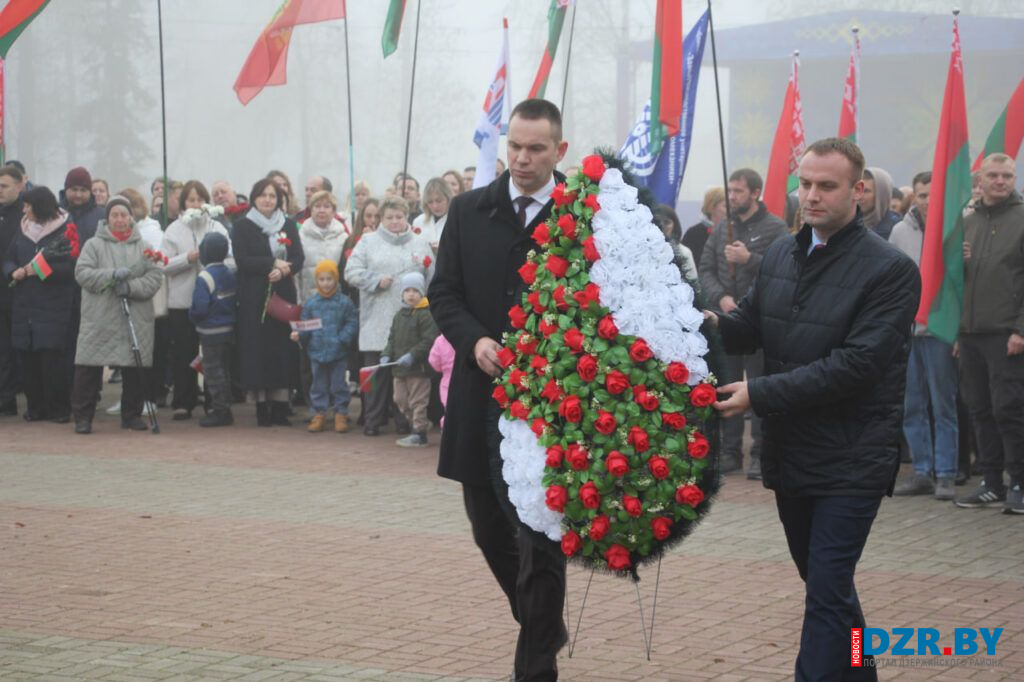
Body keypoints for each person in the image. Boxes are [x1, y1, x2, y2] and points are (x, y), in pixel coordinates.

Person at [708, 137, 919, 681]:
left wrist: (760, 394)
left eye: (827, 185)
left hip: (853, 456)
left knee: (825, 594)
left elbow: (857, 366)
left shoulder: (890, 270)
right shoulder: (783, 251)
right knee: (830, 591)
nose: (813, 195)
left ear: (858, 190)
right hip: (792, 450)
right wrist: (689, 318)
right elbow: (747, 326)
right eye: (805, 184)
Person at [429, 98, 569, 681]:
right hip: (479, 397)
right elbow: (445, 293)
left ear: (560, 151)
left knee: (541, 539)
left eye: (536, 148)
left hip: (552, 407)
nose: (522, 158)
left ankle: (534, 668)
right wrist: (475, 342)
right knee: (488, 527)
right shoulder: (467, 210)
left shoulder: (585, 216)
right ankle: (543, 623)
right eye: (514, 145)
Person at [699, 168, 788, 477]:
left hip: (760, 324)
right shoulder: (723, 228)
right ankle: (730, 450)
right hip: (727, 319)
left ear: (755, 193)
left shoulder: (776, 228)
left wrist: (749, 259)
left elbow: (783, 270)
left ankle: (761, 453)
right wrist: (721, 297)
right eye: (731, 190)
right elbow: (706, 268)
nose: (733, 196)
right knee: (726, 385)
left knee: (760, 385)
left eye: (738, 191)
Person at [954, 153, 1024, 514]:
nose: (1001, 181)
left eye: (1007, 176)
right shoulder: (966, 220)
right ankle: (991, 483)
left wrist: (1021, 330)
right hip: (969, 333)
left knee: (1009, 410)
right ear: (980, 180)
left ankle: (1020, 483)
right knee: (979, 409)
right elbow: (954, 282)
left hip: (1006, 335)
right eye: (994, 175)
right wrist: (954, 332)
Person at [888, 171, 959, 500]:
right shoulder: (901, 231)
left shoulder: (956, 228)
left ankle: (946, 472)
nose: (928, 201)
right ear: (913, 197)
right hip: (908, 331)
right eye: (922, 195)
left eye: (933, 195)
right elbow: (891, 278)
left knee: (943, 405)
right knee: (912, 404)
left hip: (941, 331)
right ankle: (921, 471)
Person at [71, 196, 163, 434]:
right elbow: (82, 273)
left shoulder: (143, 247)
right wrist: (111, 276)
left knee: (134, 368)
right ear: (107, 218)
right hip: (99, 317)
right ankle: (83, 417)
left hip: (134, 317)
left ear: (130, 217)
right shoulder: (93, 245)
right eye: (115, 215)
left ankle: (131, 415)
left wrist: (131, 287)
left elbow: (154, 278)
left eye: (124, 215)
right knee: (88, 368)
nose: (120, 219)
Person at [344, 195, 433, 436]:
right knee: (375, 375)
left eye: (400, 217)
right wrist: (374, 280)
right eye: (389, 217)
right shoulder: (367, 241)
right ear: (381, 218)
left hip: (410, 323)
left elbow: (431, 275)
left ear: (407, 217)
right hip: (377, 319)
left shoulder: (419, 243)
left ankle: (404, 421)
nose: (395, 221)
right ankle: (372, 420)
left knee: (406, 377)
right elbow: (351, 272)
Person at [232, 178, 304, 426]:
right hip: (254, 296)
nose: (268, 200)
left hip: (282, 294)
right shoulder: (243, 226)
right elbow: (242, 259)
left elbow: (298, 257)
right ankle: (262, 405)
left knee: (282, 348)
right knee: (258, 349)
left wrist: (285, 270)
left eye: (272, 196)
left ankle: (282, 405)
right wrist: (270, 264)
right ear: (254, 198)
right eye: (263, 195)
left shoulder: (288, 225)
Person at [3, 187, 77, 422]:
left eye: (28, 206)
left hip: (54, 306)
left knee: (52, 361)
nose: (24, 210)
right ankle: (36, 407)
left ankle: (59, 408)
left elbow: (71, 267)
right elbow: (8, 258)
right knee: (28, 359)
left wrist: (39, 271)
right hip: (25, 306)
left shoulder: (65, 229)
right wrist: (12, 272)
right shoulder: (23, 229)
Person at [161, 180, 232, 421]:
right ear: (183, 204)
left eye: (200, 199)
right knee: (183, 353)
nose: (196, 204)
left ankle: (214, 402)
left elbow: (232, 261)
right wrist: (187, 259)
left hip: (213, 305)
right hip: (182, 302)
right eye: (191, 200)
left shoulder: (217, 227)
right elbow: (163, 265)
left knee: (213, 356)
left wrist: (213, 261)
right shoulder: (173, 230)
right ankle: (183, 401)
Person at [291, 259, 357, 433]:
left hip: (338, 352)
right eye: (322, 279)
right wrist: (299, 334)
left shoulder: (344, 302)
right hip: (317, 351)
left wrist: (343, 339)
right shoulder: (312, 304)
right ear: (317, 281)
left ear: (336, 279)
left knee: (338, 384)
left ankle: (340, 413)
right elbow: (305, 324)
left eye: (329, 279)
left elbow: (352, 322)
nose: (326, 283)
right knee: (318, 385)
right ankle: (319, 412)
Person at [296, 190, 349, 409]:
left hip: (335, 307)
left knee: (335, 356)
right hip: (310, 303)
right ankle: (314, 405)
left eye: (327, 206)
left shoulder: (342, 236)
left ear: (334, 211)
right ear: (311, 208)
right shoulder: (301, 234)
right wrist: (300, 300)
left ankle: (338, 404)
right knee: (311, 355)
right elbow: (297, 272)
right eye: (317, 206)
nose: (322, 210)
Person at [381, 271, 438, 447]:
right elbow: (392, 338)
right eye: (407, 290)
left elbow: (430, 339)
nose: (411, 294)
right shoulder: (399, 316)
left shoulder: (426, 314)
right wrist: (386, 354)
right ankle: (419, 424)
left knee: (417, 402)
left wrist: (413, 355)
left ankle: (419, 433)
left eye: (415, 290)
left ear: (422, 292)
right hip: (399, 368)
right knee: (400, 400)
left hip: (418, 369)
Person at [189, 232, 237, 428]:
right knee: (224, 370)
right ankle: (226, 406)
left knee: (213, 372)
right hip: (228, 329)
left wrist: (192, 318)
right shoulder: (229, 272)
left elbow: (199, 308)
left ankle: (220, 411)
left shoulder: (204, 277)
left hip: (210, 332)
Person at [0, 165, 26, 416]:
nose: (0, 191)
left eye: (4, 186)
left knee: (19, 351)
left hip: (18, 292)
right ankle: (5, 400)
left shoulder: (26, 216)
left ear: (19, 186)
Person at [654, 204, 698, 290]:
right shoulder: (644, 252)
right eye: (658, 222)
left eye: (667, 222)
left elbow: (694, 284)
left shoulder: (683, 251)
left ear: (675, 225)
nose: (662, 226)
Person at [682, 187, 725, 271]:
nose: (731, 210)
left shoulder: (735, 231)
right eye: (726, 206)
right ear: (711, 207)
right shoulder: (694, 233)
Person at [61, 167, 105, 243]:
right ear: (66, 189)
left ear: (90, 192)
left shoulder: (103, 216)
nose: (78, 195)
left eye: (83, 190)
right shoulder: (54, 214)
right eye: (74, 189)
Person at [858, 167, 901, 240]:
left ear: (881, 194)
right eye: (858, 190)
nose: (859, 196)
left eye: (866, 191)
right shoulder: (845, 224)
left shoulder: (897, 229)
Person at [411, 177, 452, 252]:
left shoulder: (456, 221)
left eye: (439, 201)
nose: (435, 206)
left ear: (448, 198)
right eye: (430, 202)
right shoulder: (419, 221)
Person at [428, 334, 455, 427]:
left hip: (447, 383)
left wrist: (444, 369)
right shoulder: (468, 334)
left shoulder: (441, 340)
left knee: (449, 411)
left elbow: (434, 361)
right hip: (467, 379)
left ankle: (446, 433)